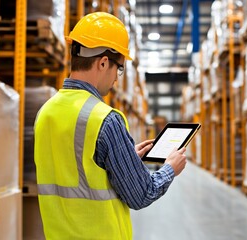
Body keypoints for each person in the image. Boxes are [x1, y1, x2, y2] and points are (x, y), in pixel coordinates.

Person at [34, 12, 187, 239]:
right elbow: (142, 194)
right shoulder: (105, 119)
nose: (117, 78)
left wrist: (120, 157)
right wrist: (170, 169)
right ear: (103, 62)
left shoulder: (45, 112)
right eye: (119, 68)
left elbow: (75, 167)